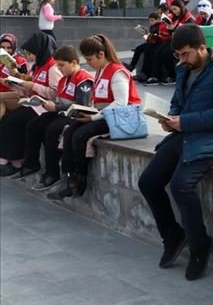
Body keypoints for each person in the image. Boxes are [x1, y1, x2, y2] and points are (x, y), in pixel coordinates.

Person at [136, 25, 213, 280]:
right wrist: (169, 117)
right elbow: (178, 102)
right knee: (148, 181)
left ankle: (199, 244)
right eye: (179, 56)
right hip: (186, 135)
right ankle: (173, 235)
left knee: (181, 185)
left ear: (201, 48)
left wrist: (183, 122)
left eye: (185, 54)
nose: (181, 60)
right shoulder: (185, 69)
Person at [47, 34, 142, 200]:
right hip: (104, 115)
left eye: (89, 59)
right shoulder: (101, 71)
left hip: (121, 117)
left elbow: (121, 103)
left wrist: (93, 117)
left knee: (79, 136)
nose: (88, 63)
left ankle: (80, 179)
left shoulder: (118, 72)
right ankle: (67, 178)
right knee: (69, 132)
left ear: (101, 54)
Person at [22, 45, 94, 190]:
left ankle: (52, 173)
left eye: (62, 65)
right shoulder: (64, 79)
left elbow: (81, 106)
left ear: (74, 62)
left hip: (75, 116)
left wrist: (56, 107)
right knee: (34, 125)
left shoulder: (83, 80)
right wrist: (48, 104)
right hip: (60, 112)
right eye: (58, 65)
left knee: (52, 130)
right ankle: (31, 164)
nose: (59, 69)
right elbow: (60, 99)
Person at [0, 32, 60, 177]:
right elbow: (30, 88)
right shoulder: (38, 66)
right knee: (9, 119)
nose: (29, 56)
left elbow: (55, 92)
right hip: (33, 102)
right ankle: (13, 159)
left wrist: (32, 85)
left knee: (15, 121)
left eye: (31, 53)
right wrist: (15, 85)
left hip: (44, 106)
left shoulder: (52, 67)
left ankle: (17, 160)